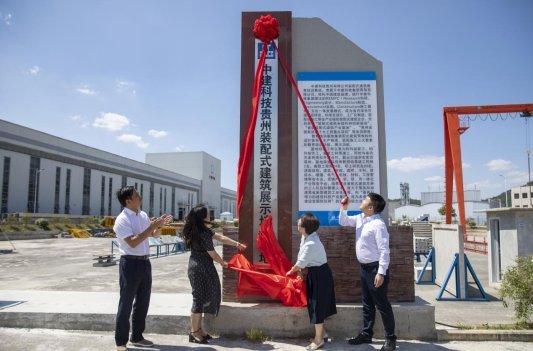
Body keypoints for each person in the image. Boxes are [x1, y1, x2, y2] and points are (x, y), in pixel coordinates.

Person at [113, 186, 173, 351]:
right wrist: (151, 227)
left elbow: (154, 235)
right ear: (128, 200)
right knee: (126, 303)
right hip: (130, 264)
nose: (140, 196)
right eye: (136, 195)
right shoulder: (122, 219)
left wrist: (159, 225)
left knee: (142, 302)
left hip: (145, 262)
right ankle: (121, 342)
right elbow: (132, 242)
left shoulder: (143, 215)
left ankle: (137, 336)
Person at [339, 193, 396, 351]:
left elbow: (384, 250)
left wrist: (381, 272)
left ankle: (390, 339)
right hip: (364, 268)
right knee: (367, 304)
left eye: (365, 200)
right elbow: (343, 221)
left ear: (371, 207)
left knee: (382, 304)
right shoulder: (360, 218)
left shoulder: (378, 224)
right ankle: (366, 333)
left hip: (375, 269)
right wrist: (344, 208)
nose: (362, 201)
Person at [183, 204, 247, 344]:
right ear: (203, 216)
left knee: (205, 296)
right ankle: (194, 332)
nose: (209, 214)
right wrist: (223, 263)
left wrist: (236, 244)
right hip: (200, 268)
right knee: (198, 299)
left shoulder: (202, 230)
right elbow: (212, 253)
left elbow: (221, 237)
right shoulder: (203, 233)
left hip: (201, 266)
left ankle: (199, 330)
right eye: (207, 213)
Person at [286, 212, 336, 351]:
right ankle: (323, 333)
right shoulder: (306, 237)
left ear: (304, 226)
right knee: (315, 306)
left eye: (300, 221)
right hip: (315, 274)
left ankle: (319, 340)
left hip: (320, 276)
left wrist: (289, 272)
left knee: (317, 307)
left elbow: (300, 263)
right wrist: (300, 272)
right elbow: (301, 258)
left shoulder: (311, 243)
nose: (297, 221)